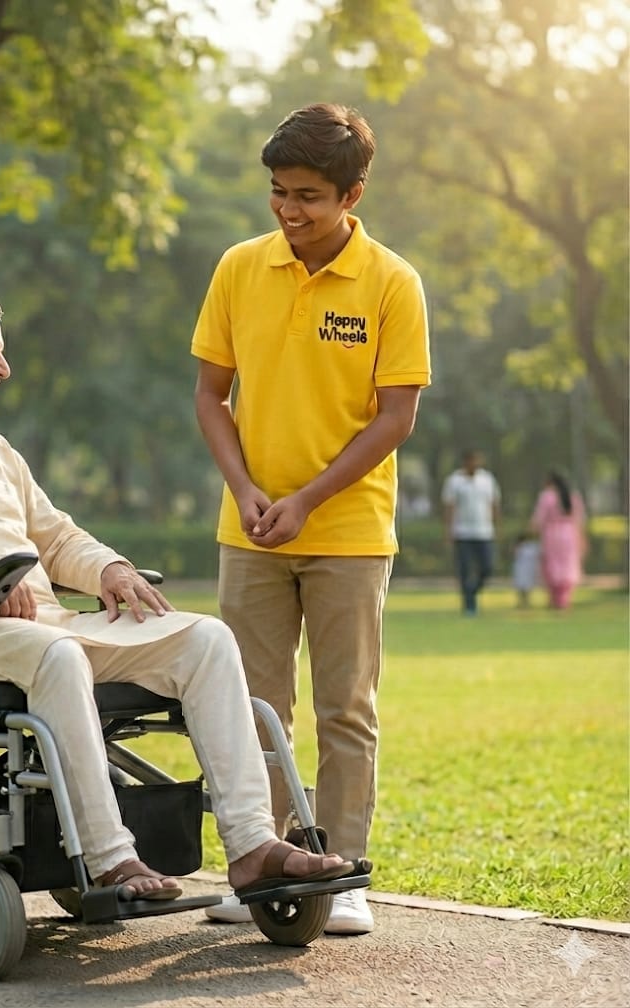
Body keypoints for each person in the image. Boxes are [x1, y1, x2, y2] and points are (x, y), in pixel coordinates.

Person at [0, 282, 366, 905]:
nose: (3, 368)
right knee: (61, 657)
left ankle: (251, 847)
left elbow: (55, 538)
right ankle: (111, 858)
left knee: (207, 640)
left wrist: (109, 568)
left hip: (44, 626)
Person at [190, 103, 430, 934]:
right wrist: (247, 490)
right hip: (250, 531)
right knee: (252, 708)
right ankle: (257, 865)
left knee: (344, 710)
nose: (289, 211)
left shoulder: (393, 283)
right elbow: (210, 396)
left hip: (349, 534)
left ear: (353, 193)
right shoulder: (237, 268)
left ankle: (344, 877)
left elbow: (395, 417)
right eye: (277, 192)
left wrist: (307, 500)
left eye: (308, 197)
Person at [442, 450, 501, 615]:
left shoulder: (487, 480)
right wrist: (448, 531)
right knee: (465, 569)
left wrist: (497, 527)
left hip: (484, 531)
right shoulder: (455, 481)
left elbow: (494, 504)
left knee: (487, 567)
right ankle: (469, 605)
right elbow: (449, 507)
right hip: (462, 532)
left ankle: (472, 592)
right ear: (465, 462)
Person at [531, 472, 587, 610]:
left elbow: (539, 519)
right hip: (570, 534)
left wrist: (532, 531)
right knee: (568, 565)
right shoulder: (573, 497)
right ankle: (564, 598)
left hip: (552, 534)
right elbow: (579, 519)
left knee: (553, 565)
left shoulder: (547, 497)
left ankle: (556, 598)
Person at [511, 530, 540, 609]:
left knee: (526, 588)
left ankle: (525, 602)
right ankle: (522, 602)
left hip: (526, 570)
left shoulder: (531, 547)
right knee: (522, 588)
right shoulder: (523, 547)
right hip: (522, 570)